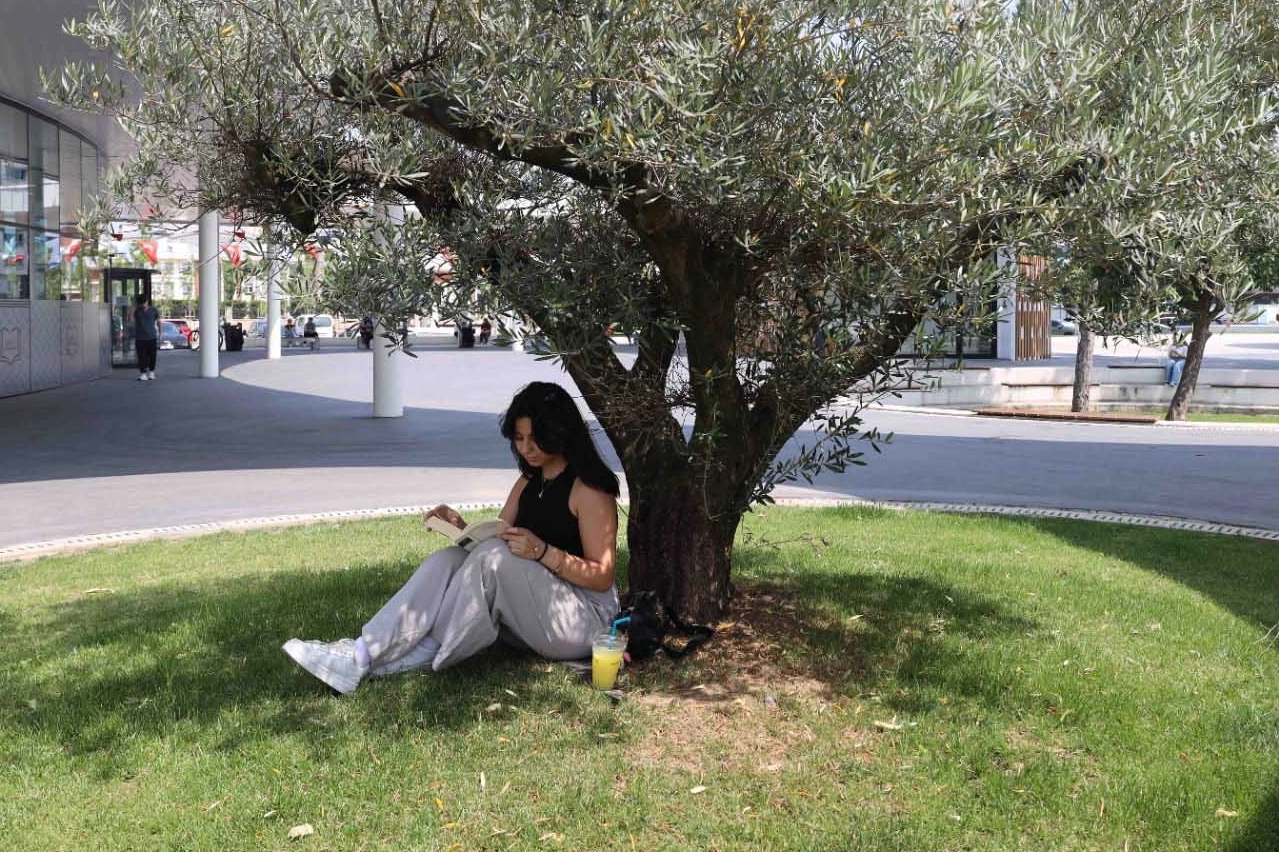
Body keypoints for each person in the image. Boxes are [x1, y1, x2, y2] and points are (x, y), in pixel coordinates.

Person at [282, 381, 621, 694]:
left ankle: (396, 657)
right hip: (528, 613)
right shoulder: (529, 481)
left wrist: (544, 552)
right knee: (447, 560)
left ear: (560, 432)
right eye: (519, 439)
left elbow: (602, 577)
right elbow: (495, 537)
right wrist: (461, 528)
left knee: (495, 559)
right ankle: (363, 650)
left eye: (535, 438)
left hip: (582, 621)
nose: (526, 448)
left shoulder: (589, 489)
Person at [130, 294, 160, 381]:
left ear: (147, 301)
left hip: (152, 337)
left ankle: (151, 372)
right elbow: (131, 321)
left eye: (144, 303)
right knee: (141, 356)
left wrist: (160, 333)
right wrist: (132, 310)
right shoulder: (137, 311)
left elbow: (159, 321)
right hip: (140, 338)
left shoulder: (154, 310)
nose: (143, 305)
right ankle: (143, 374)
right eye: (141, 303)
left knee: (152, 355)